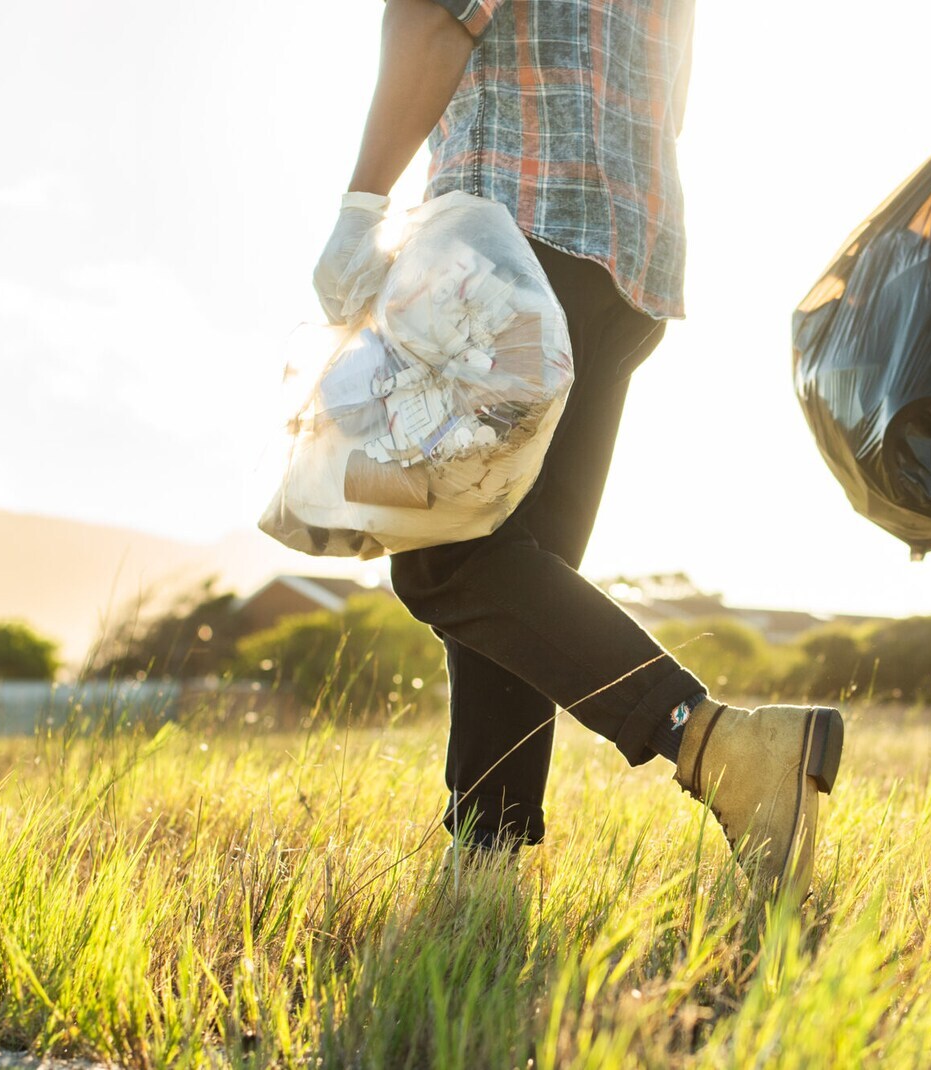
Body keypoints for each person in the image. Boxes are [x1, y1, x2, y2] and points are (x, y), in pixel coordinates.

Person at [310, 0, 843, 893]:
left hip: (512, 226)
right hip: (630, 251)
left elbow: (438, 18)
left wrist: (362, 203)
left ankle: (718, 744)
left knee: (445, 557)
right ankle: (485, 863)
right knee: (520, 563)